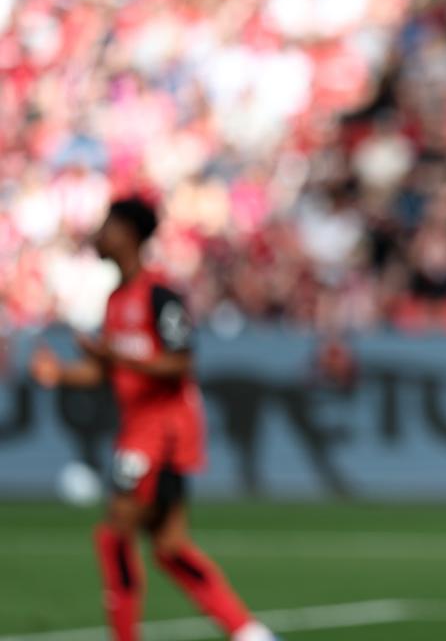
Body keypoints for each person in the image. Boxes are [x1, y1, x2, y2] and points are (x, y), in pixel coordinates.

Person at [29, 197, 276, 641]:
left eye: (108, 226)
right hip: (138, 430)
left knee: (115, 535)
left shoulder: (161, 295)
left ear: (128, 234)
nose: (99, 235)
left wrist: (117, 357)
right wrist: (60, 373)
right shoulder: (115, 299)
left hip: (163, 431)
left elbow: (180, 362)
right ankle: (249, 633)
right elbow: (106, 371)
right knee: (169, 547)